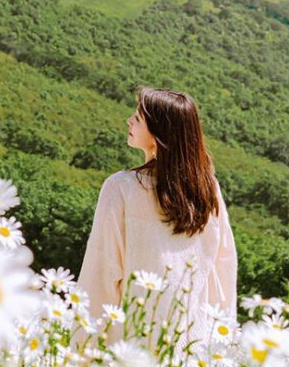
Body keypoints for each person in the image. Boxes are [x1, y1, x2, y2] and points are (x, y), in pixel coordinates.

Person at [77, 88, 236, 346]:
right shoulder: (208, 190)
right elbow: (222, 268)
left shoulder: (121, 188)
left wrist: (85, 347)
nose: (129, 121)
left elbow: (102, 271)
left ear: (159, 134)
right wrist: (220, 340)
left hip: (132, 343)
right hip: (190, 344)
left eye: (138, 118)